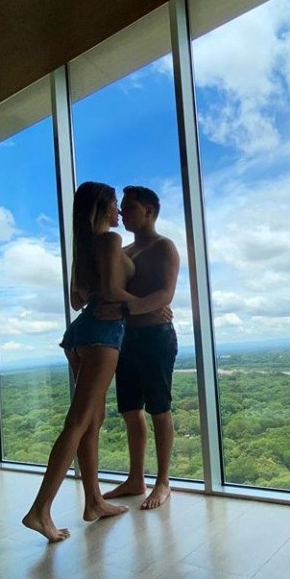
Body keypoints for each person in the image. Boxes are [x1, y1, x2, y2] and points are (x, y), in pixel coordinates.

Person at [22, 181, 156, 542]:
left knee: (91, 421)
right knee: (79, 421)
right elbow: (111, 293)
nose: (119, 211)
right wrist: (149, 303)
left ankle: (94, 501)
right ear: (102, 207)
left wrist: (107, 296)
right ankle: (39, 511)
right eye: (114, 204)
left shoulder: (84, 246)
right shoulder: (110, 240)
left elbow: (76, 300)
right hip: (103, 334)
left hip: (81, 333)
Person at [101, 186, 180, 509]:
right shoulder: (125, 250)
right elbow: (116, 291)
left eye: (129, 207)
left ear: (149, 211)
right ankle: (136, 478)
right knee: (130, 409)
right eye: (121, 207)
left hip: (156, 337)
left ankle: (163, 482)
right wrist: (134, 309)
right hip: (127, 338)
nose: (122, 212)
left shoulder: (164, 247)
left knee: (159, 408)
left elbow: (165, 294)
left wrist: (128, 308)